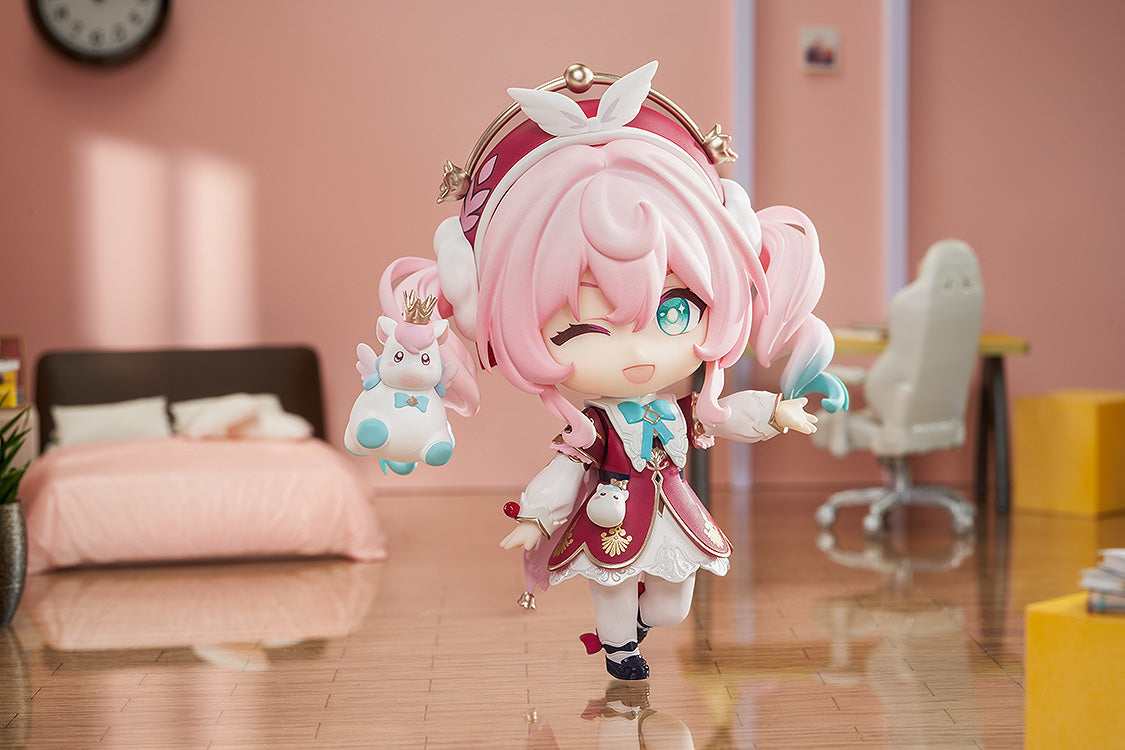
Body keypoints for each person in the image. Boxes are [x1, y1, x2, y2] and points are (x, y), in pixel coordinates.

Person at [378, 61, 846, 680]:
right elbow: (565, 470)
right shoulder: (592, 429)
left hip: (672, 509)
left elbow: (721, 416)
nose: (636, 353)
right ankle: (620, 648)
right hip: (611, 515)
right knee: (613, 584)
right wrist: (536, 519)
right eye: (579, 329)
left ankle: (640, 627)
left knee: (675, 603)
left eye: (675, 311)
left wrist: (778, 412)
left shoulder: (679, 409)